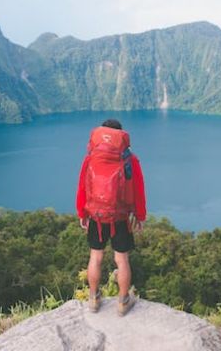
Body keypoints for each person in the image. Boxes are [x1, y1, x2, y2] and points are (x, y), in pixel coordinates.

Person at [76, 118, 146, 316]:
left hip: (96, 216)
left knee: (95, 257)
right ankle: (123, 301)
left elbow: (82, 187)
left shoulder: (90, 158)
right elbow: (139, 190)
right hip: (120, 217)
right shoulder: (129, 159)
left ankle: (93, 299)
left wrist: (82, 212)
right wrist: (139, 216)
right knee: (121, 259)